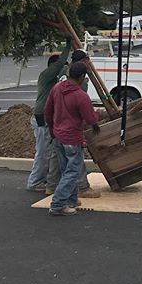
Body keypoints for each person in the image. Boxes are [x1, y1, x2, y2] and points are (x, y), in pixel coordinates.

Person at [44, 61, 102, 216]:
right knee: (72, 172)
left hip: (58, 136)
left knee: (66, 171)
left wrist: (52, 129)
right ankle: (57, 204)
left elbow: (47, 111)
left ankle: (71, 200)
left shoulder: (56, 89)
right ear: (82, 77)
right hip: (71, 138)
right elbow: (90, 118)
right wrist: (98, 115)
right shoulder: (80, 96)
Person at [26, 38, 71, 192]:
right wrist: (69, 45)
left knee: (48, 151)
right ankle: (34, 182)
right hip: (41, 118)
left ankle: (42, 179)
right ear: (53, 66)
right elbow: (61, 64)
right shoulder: (47, 75)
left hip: (44, 118)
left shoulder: (53, 79)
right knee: (43, 152)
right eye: (60, 67)